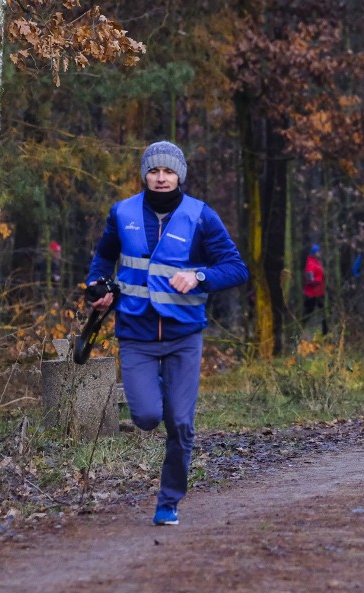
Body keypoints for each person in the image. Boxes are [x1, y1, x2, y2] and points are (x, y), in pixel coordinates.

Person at [87, 141, 249, 526]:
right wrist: (97, 287)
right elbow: (102, 258)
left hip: (183, 336)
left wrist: (199, 275)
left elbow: (236, 268)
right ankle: (157, 397)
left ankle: (169, 501)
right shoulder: (122, 212)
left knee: (180, 422)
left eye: (169, 171)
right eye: (154, 171)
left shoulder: (201, 217)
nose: (161, 178)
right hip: (136, 332)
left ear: (180, 175)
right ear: (145, 174)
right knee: (145, 416)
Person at [303, 243, 328, 335]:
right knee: (307, 314)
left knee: (323, 314)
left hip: (319, 293)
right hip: (312, 294)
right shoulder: (310, 263)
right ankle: (300, 331)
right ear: (314, 252)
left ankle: (325, 332)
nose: (320, 252)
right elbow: (309, 278)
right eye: (318, 251)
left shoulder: (317, 262)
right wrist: (318, 281)